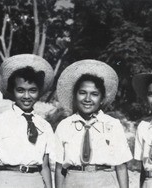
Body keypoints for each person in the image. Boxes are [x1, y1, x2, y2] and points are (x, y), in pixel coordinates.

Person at [54, 59, 133, 188]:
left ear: (102, 99)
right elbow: (59, 168)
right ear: (75, 95)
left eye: (94, 94)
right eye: (82, 93)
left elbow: (121, 167)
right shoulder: (64, 125)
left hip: (104, 180)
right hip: (73, 180)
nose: (87, 99)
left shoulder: (113, 125)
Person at [0, 54, 55, 188]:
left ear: (39, 92)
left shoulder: (44, 126)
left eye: (32, 91)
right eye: (20, 90)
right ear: (12, 91)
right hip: (8, 180)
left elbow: (45, 166)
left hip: (36, 181)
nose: (26, 96)